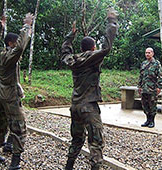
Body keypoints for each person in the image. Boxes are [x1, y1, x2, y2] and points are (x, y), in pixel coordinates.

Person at [61, 8, 118, 170]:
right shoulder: (91, 58)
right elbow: (106, 48)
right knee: (96, 142)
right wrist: (111, 22)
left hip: (76, 106)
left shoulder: (73, 59)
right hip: (89, 107)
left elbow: (65, 51)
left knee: (77, 139)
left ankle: (69, 166)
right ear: (93, 48)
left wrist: (70, 36)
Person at [0, 13, 33, 170]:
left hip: (0, 93)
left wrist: (1, 28)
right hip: (10, 96)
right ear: (11, 43)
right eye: (15, 42)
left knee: (2, 124)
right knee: (19, 128)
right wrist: (27, 26)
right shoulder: (9, 56)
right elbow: (20, 47)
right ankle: (14, 164)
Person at [138, 48, 162, 128]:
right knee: (145, 105)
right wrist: (139, 86)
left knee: (152, 105)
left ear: (152, 53)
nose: (147, 54)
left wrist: (159, 87)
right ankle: (147, 120)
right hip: (144, 88)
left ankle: (152, 121)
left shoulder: (156, 63)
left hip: (152, 88)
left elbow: (160, 76)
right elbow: (141, 76)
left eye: (149, 53)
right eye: (146, 53)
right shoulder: (143, 63)